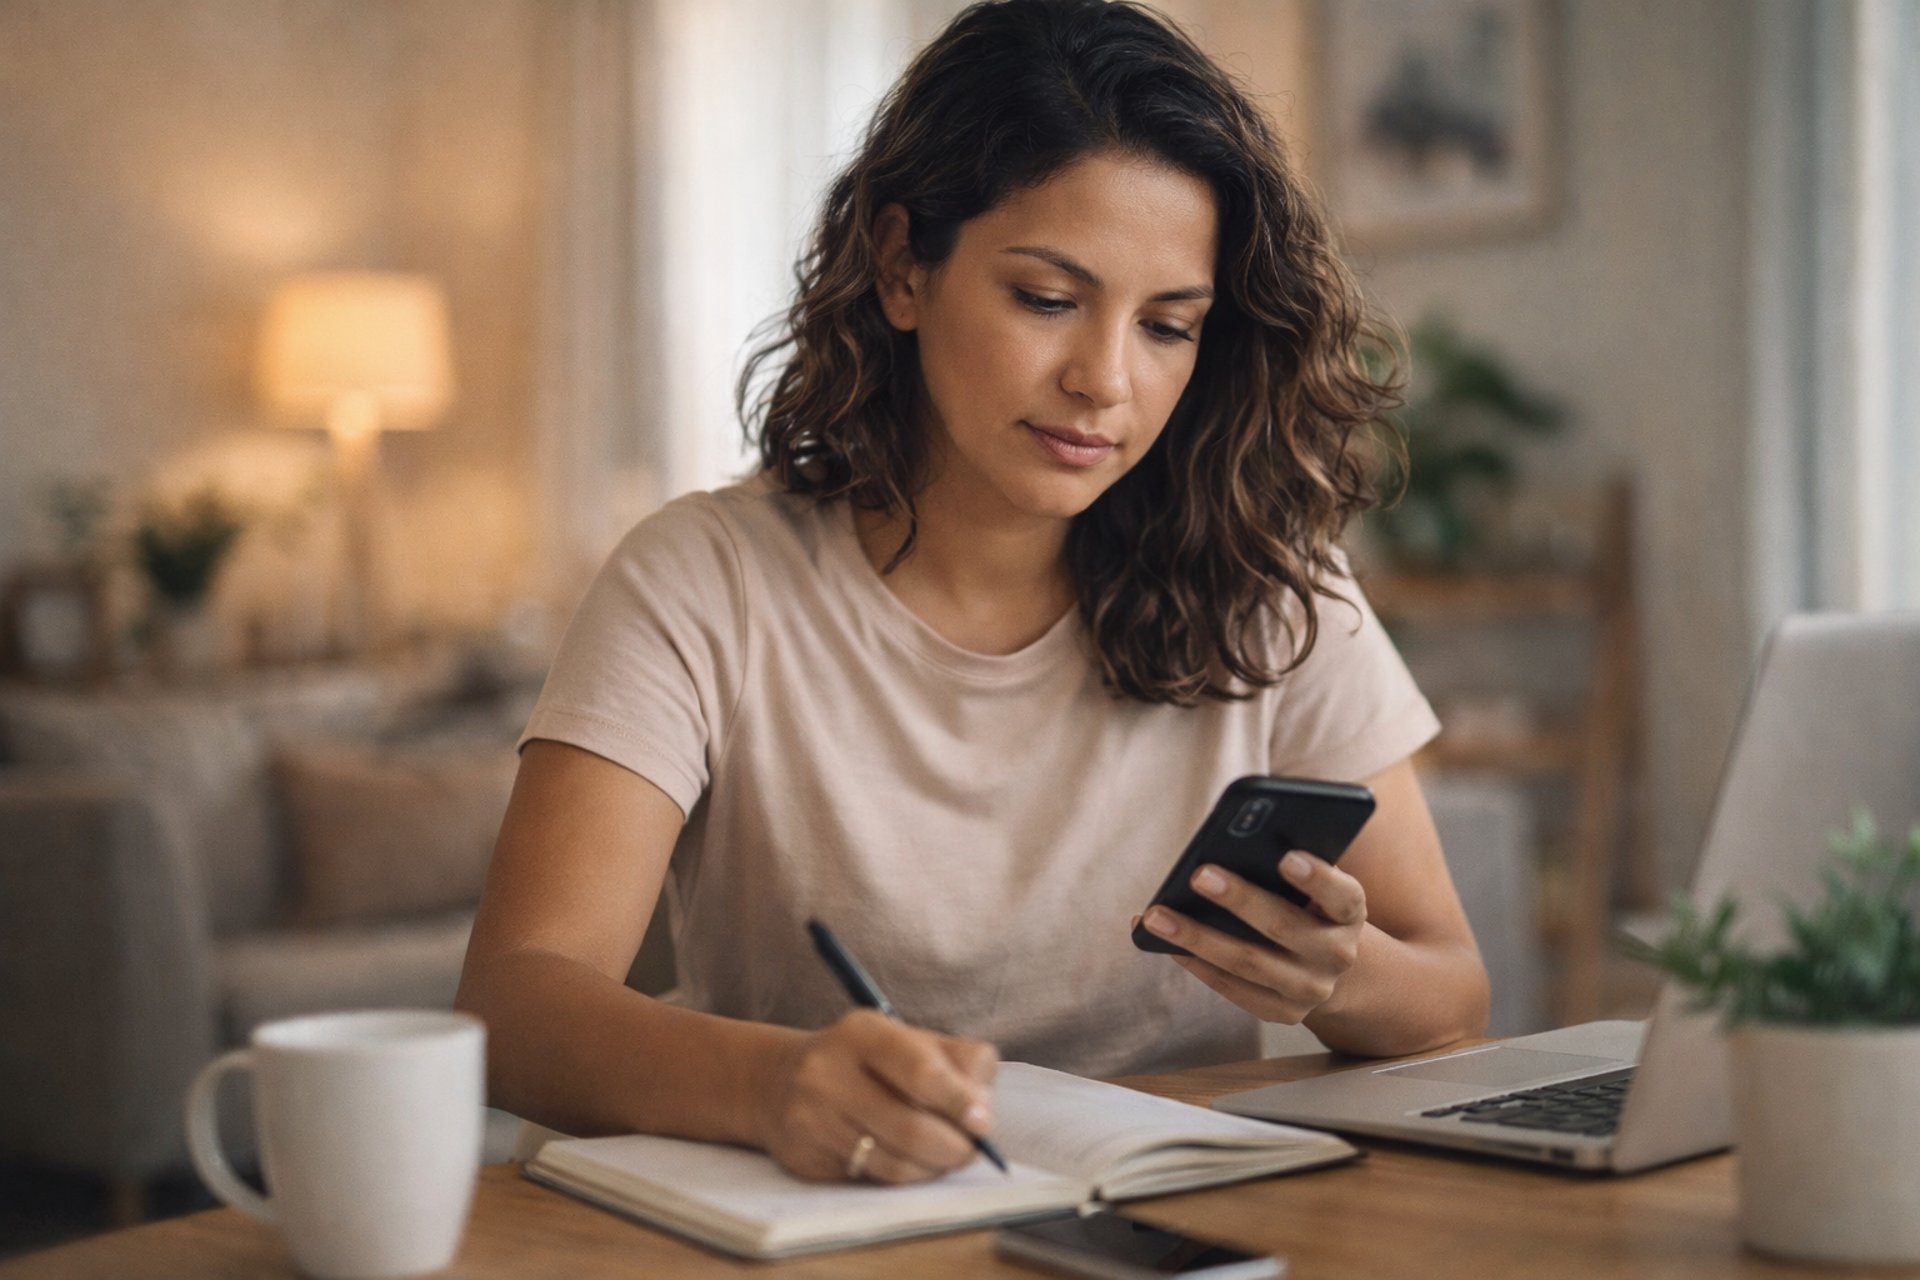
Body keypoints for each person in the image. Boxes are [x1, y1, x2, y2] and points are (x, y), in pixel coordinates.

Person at [456, 0, 1488, 1189]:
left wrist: (1334, 976)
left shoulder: (1272, 585)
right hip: (827, 1221)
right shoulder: (702, 580)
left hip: (1163, 1219)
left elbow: (1452, 986)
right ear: (903, 266)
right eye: (1048, 299)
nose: (1105, 380)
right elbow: (513, 999)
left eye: (1167, 326)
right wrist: (772, 1081)